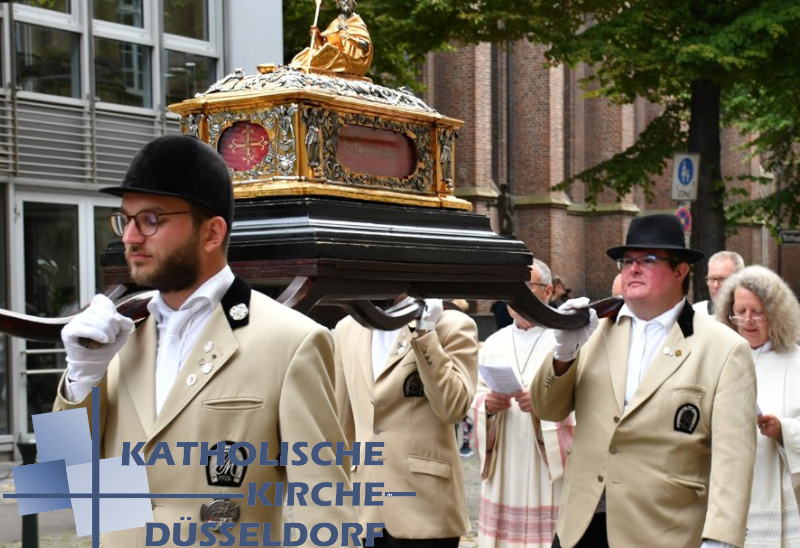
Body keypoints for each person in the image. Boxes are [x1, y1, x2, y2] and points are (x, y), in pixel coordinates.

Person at [54, 136, 356, 546]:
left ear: (212, 232)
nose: (130, 237)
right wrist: (79, 381)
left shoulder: (292, 341)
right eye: (124, 219)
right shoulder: (116, 339)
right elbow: (64, 483)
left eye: (150, 220)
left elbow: (325, 510)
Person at [531, 213, 757, 548]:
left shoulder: (723, 348)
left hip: (663, 530)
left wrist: (720, 539)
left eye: (648, 260)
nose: (633, 269)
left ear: (680, 271)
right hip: (581, 525)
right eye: (627, 260)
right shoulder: (593, 331)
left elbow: (734, 459)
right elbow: (547, 409)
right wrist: (563, 355)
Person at [334, 296, 479, 547]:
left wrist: (425, 334)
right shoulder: (347, 328)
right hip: (364, 510)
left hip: (426, 507)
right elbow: (341, 421)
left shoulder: (452, 324)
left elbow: (453, 407)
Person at [473, 259, 574, 548]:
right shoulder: (492, 342)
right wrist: (487, 405)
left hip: (548, 463)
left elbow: (585, 403)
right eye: (511, 288)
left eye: (527, 287)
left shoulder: (565, 339)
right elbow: (474, 398)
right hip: (504, 456)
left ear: (549, 291)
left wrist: (545, 405)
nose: (517, 296)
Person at [715, 265, 800, 547]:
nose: (747, 320)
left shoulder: (795, 361)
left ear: (776, 314)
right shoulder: (718, 360)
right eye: (740, 311)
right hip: (725, 493)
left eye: (757, 312)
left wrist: (782, 430)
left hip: (778, 492)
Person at [290, 0, 373, 76]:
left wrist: (350, 38)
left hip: (352, 61)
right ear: (338, 5)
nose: (346, 2)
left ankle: (305, 69)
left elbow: (366, 46)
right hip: (336, 55)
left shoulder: (357, 22)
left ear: (354, 3)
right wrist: (318, 37)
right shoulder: (335, 23)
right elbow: (326, 44)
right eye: (343, 0)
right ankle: (298, 68)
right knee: (308, 53)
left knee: (328, 57)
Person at [693, 250, 744, 315]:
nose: (715, 285)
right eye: (712, 279)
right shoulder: (695, 314)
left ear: (739, 281)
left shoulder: (749, 317)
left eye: (722, 279)